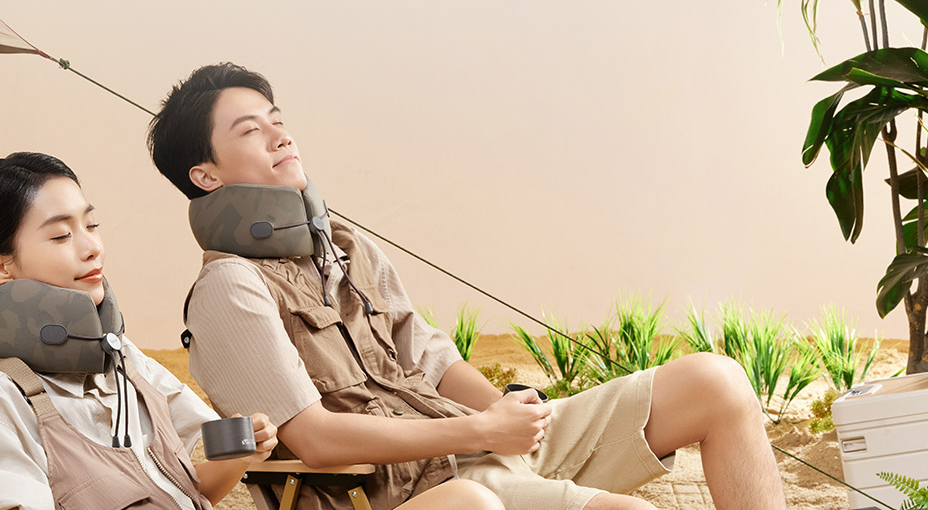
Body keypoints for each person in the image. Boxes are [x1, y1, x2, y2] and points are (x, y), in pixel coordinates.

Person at [147, 64, 788, 510]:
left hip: (471, 445)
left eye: (276, 120)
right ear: (206, 176)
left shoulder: (344, 247)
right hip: (409, 491)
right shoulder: (229, 288)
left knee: (717, 382)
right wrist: (484, 431)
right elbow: (315, 438)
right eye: (250, 131)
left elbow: (434, 362)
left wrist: (517, 420)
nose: (280, 135)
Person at [0, 152, 281, 510]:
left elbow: (185, 491)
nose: (92, 248)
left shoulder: (123, 359)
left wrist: (241, 454)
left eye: (91, 225)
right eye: (61, 236)